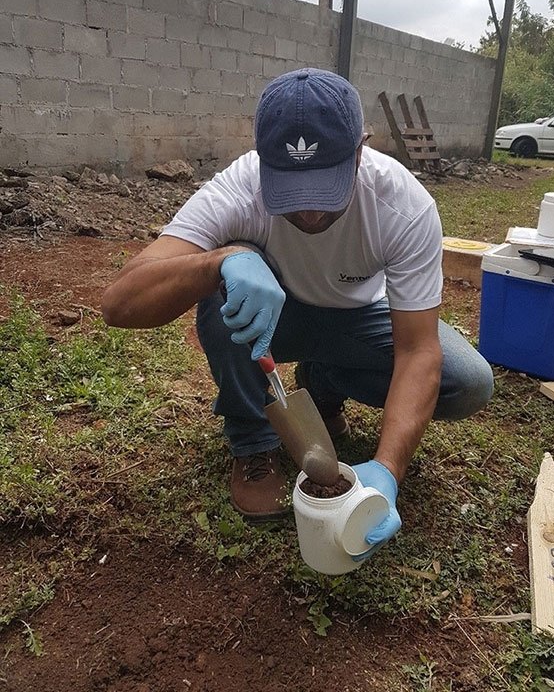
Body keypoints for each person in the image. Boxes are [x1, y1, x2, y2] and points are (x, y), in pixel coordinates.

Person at [102, 67, 494, 559]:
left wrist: (387, 471)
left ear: (360, 150)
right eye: (291, 190)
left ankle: (323, 382)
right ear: (262, 160)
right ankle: (253, 443)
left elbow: (418, 349)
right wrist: (219, 263)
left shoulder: (403, 205)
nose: (309, 214)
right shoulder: (238, 187)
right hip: (273, 319)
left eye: (325, 188)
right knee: (216, 279)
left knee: (468, 381)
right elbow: (120, 302)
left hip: (358, 320)